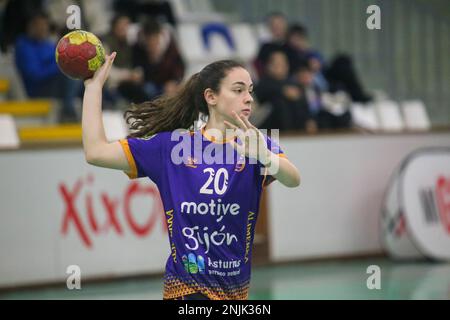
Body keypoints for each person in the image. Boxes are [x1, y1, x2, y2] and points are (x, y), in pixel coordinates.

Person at [82, 52, 300, 300]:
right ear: (211, 97)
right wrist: (93, 88)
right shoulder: (171, 147)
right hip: (186, 290)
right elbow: (95, 152)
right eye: (238, 90)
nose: (248, 98)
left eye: (250, 90)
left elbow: (293, 179)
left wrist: (268, 158)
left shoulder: (257, 145)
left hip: (235, 293)